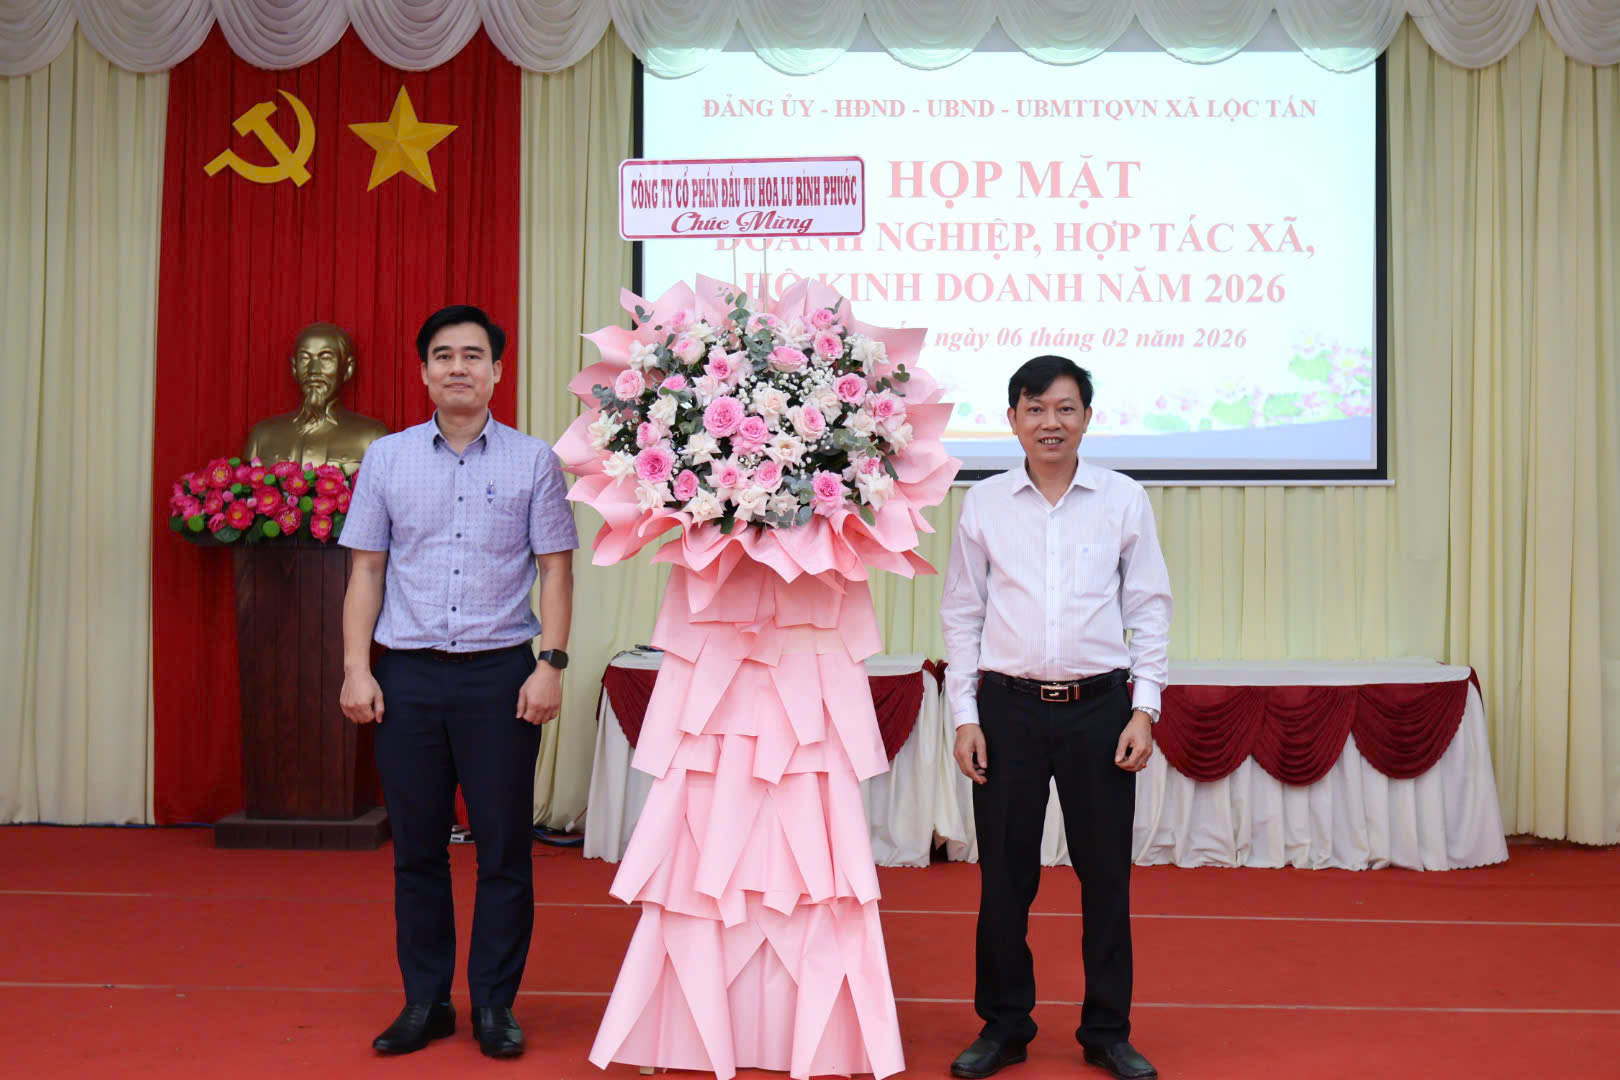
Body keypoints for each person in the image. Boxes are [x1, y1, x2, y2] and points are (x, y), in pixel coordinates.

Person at [337, 305, 578, 1059]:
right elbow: (366, 570)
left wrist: (551, 664)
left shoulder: (533, 460)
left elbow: (556, 571)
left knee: (504, 849)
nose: (458, 368)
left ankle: (495, 1006)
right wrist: (356, 668)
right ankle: (427, 1002)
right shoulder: (387, 459)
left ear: (498, 371)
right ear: (424, 372)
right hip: (406, 675)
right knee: (417, 850)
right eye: (443, 355)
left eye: (474, 355)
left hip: (501, 677)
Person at [939, 356, 1172, 1080]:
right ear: (1012, 419)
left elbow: (1149, 608)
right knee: (1005, 881)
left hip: (1099, 710)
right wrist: (965, 715)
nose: (1051, 423)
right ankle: (1004, 1026)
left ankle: (1106, 1030)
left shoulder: (1122, 499)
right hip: (1006, 711)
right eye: (1035, 409)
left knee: (1106, 881)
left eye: (1065, 409)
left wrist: (1145, 707)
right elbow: (962, 612)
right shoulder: (984, 503)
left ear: (1087, 418)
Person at [243, 321, 389, 467]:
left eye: (325, 358)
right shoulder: (261, 436)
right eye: (305, 358)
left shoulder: (373, 437)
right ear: (294, 368)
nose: (313, 370)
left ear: (348, 368)